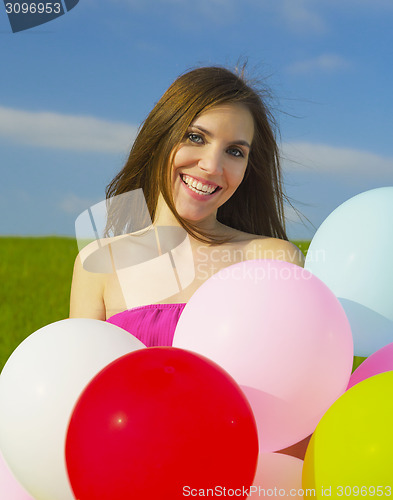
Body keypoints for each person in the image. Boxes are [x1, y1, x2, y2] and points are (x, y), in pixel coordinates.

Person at [70, 65, 304, 337]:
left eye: (234, 151)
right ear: (160, 137)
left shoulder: (273, 261)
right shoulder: (99, 264)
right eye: (196, 137)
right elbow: (81, 374)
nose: (212, 166)